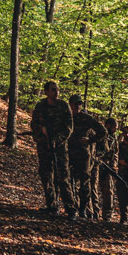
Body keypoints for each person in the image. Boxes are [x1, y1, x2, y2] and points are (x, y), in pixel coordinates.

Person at [30, 81, 77, 219]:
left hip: (60, 148)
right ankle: (52, 205)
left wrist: (56, 140)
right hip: (44, 146)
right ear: (46, 92)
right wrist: (41, 130)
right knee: (46, 175)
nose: (56, 92)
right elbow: (34, 124)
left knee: (63, 177)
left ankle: (71, 209)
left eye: (57, 90)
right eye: (53, 90)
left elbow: (69, 128)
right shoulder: (40, 106)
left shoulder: (63, 106)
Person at [66, 94, 106, 221]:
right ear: (70, 104)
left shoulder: (86, 118)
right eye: (75, 103)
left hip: (83, 155)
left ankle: (83, 208)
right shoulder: (65, 117)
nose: (78, 106)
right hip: (67, 153)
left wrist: (90, 139)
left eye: (80, 104)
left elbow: (103, 131)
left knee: (84, 182)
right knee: (68, 181)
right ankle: (72, 208)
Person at [97, 118, 119, 222]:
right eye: (114, 127)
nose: (115, 130)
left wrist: (113, 165)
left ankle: (107, 215)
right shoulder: (99, 134)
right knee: (92, 189)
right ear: (108, 125)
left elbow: (115, 153)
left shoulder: (114, 138)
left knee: (108, 191)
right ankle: (93, 212)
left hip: (108, 167)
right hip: (96, 165)